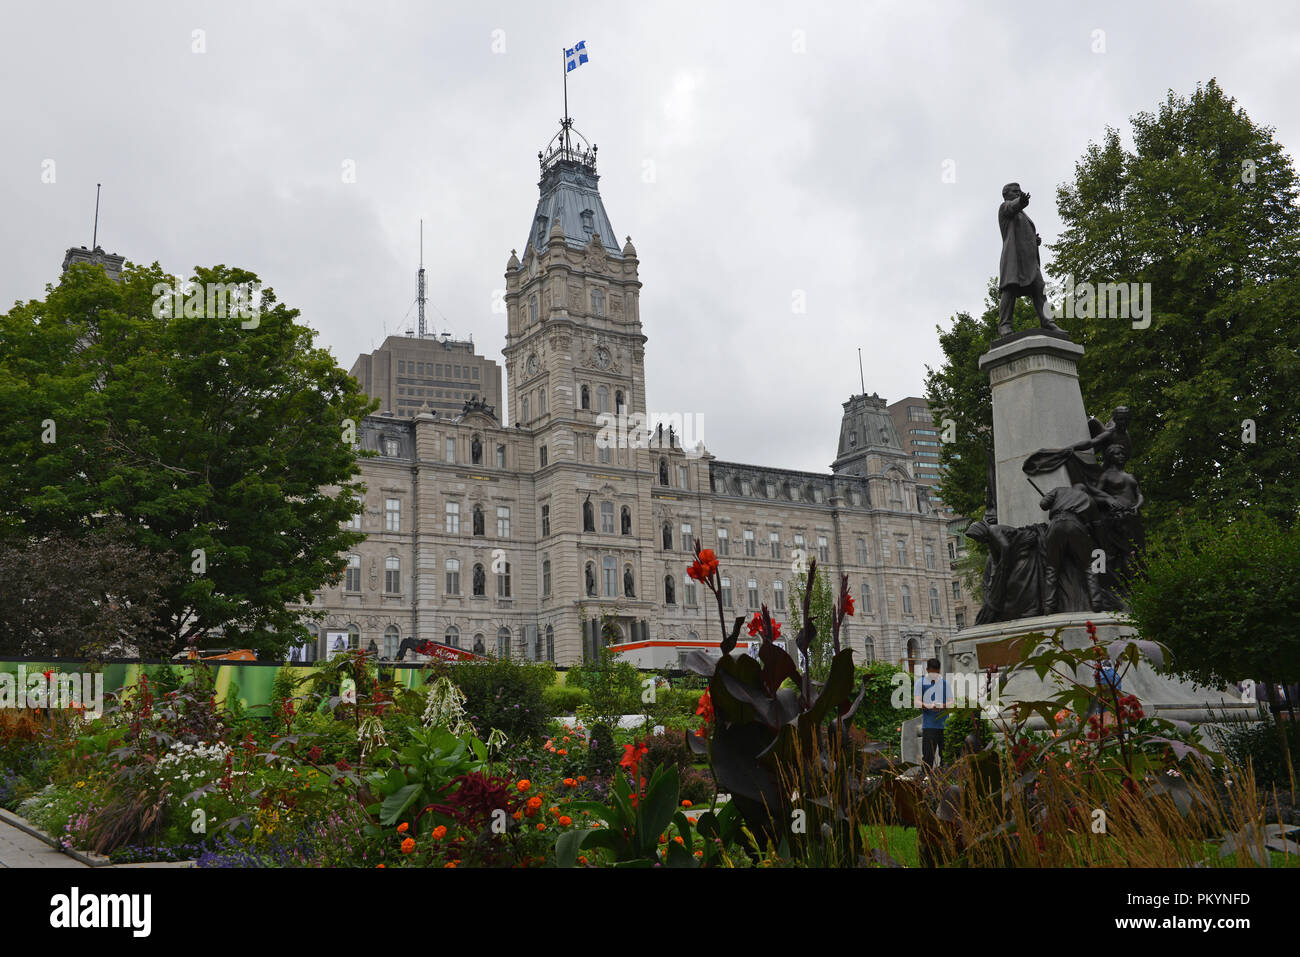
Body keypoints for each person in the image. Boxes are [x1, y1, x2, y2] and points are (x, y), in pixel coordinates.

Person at [914, 658, 953, 768]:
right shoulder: (920, 683)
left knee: (946, 756)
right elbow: (916, 702)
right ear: (927, 670)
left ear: (939, 671)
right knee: (928, 757)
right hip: (929, 726)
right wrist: (929, 706)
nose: (934, 676)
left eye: (936, 673)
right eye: (932, 673)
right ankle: (926, 780)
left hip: (945, 725)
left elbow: (951, 702)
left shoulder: (945, 683)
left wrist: (942, 706)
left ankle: (947, 779)